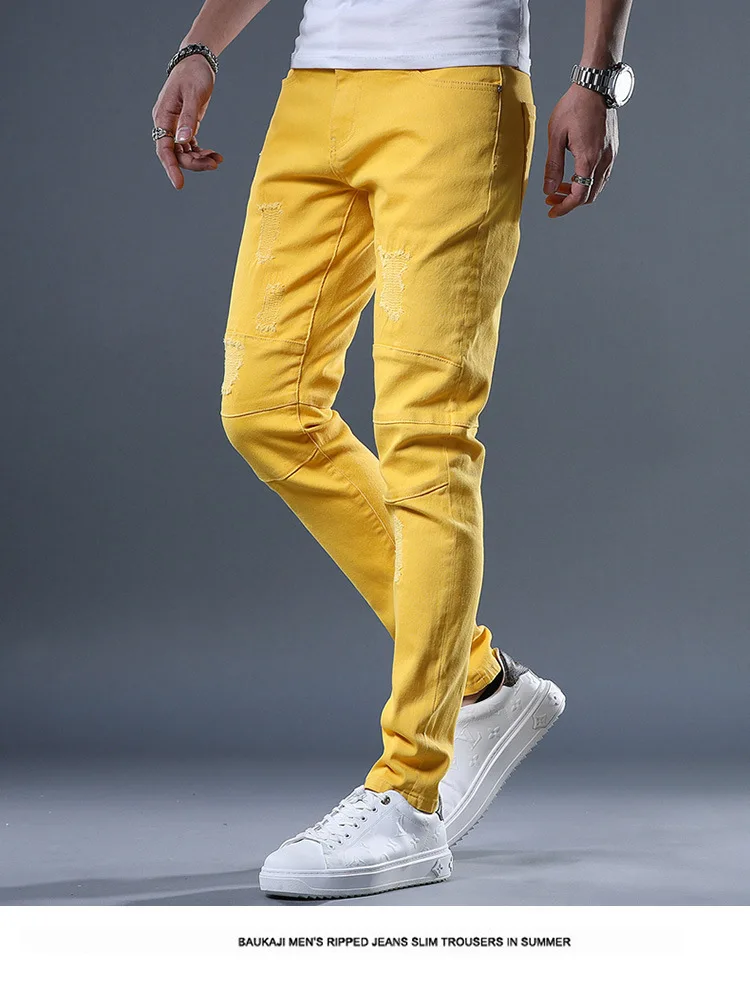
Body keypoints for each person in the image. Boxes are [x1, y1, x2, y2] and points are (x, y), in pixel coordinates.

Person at [152, 0, 635, 900]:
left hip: (457, 85)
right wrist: (201, 47)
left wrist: (598, 76)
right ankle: (481, 683)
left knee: (426, 436)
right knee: (265, 407)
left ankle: (410, 794)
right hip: (318, 89)